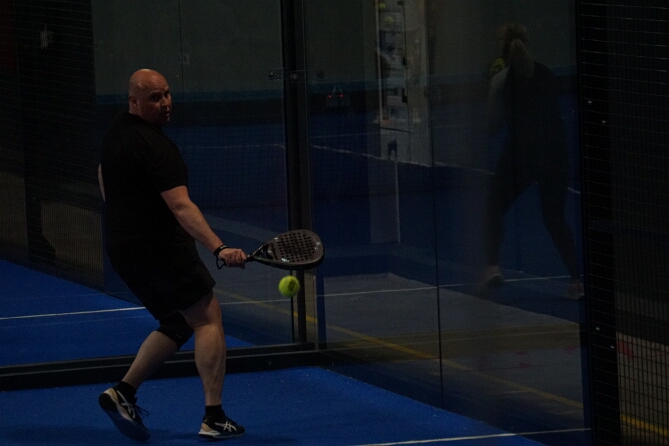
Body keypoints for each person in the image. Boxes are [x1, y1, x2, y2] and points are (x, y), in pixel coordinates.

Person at [97, 68, 247, 441]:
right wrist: (220, 248)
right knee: (208, 318)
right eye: (154, 98)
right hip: (160, 249)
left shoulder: (116, 131)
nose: (165, 103)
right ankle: (214, 417)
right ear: (134, 101)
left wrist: (124, 216)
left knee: (178, 322)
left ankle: (123, 392)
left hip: (122, 249)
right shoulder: (159, 149)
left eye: (166, 94)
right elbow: (181, 207)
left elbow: (103, 174)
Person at [480, 23, 584, 300]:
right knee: (555, 218)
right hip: (555, 152)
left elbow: (492, 127)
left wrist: (489, 92)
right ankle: (576, 280)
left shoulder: (501, 80)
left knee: (493, 205)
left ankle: (492, 267)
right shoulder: (547, 74)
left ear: (502, 50)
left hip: (521, 154)